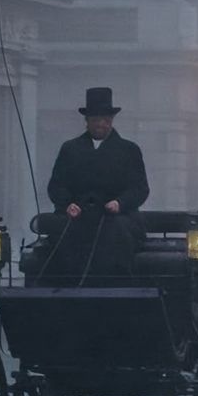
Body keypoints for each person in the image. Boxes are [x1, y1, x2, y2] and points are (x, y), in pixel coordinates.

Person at [45, 86, 150, 281]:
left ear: (111, 121)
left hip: (117, 217)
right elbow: (56, 185)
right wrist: (68, 204)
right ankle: (63, 282)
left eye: (105, 120)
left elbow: (140, 188)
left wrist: (120, 203)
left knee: (117, 233)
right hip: (78, 215)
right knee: (60, 232)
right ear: (87, 122)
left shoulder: (129, 150)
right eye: (95, 119)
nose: (100, 124)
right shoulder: (70, 149)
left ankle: (117, 281)